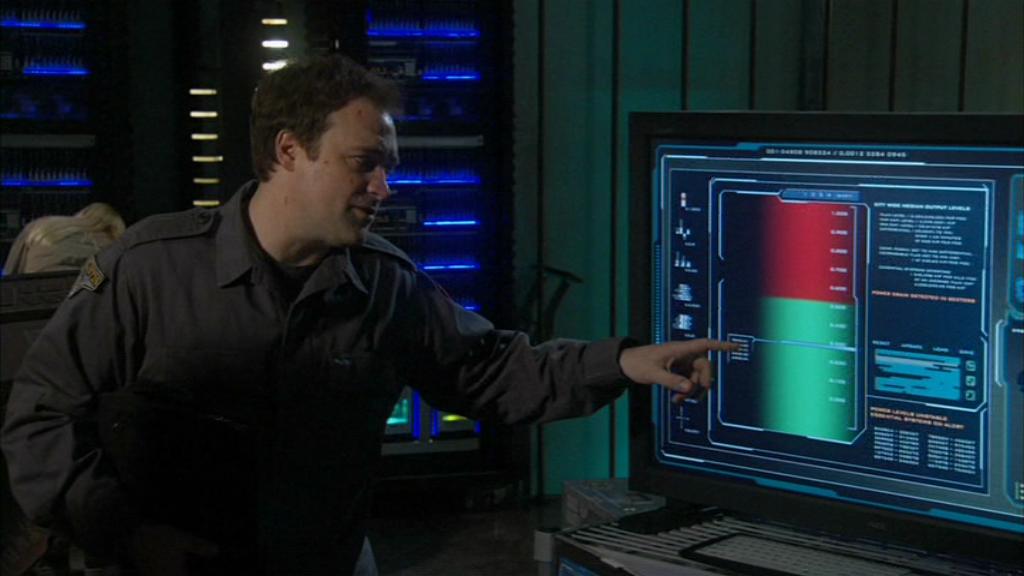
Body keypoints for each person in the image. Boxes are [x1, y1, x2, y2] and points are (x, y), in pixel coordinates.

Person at [1, 54, 736, 576]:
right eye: (364, 162)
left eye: (389, 165)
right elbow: (39, 417)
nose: (385, 186)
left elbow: (490, 371)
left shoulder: (384, 285)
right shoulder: (149, 269)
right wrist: (128, 534)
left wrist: (624, 361)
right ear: (289, 151)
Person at [2, 202, 126, 276]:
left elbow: (10, 273)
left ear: (83, 214)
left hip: (33, 295)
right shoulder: (114, 248)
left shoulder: (41, 225)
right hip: (79, 301)